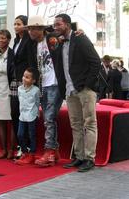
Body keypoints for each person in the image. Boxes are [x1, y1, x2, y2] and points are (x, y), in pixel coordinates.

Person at [53, 13, 101, 172]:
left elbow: (95, 61)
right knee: (76, 125)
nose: (55, 27)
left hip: (84, 89)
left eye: (58, 24)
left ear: (67, 24)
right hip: (69, 89)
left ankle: (89, 158)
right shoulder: (60, 43)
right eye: (54, 25)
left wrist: (88, 85)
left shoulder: (80, 38)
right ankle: (79, 157)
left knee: (90, 123)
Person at [25, 15, 63, 167]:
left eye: (32, 29)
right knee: (49, 118)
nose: (30, 33)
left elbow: (66, 40)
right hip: (43, 85)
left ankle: (49, 151)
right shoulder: (35, 45)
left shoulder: (52, 39)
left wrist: (78, 32)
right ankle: (54, 151)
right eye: (29, 29)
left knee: (49, 118)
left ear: (40, 29)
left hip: (55, 83)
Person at [11, 15, 37, 158]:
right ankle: (20, 144)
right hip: (15, 81)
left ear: (26, 26)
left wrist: (31, 80)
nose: (16, 26)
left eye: (19, 24)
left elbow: (31, 62)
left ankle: (27, 147)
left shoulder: (29, 41)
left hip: (26, 81)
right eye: (14, 24)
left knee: (26, 113)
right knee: (15, 112)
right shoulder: (16, 41)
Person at [0, 29, 15, 159]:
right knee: (1, 122)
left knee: (11, 121)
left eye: (3, 38)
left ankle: (11, 150)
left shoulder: (13, 54)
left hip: (11, 90)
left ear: (9, 40)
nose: (0, 40)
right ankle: (3, 149)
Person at [15, 67, 40, 165]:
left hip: (32, 116)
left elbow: (37, 102)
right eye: (24, 76)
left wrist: (37, 113)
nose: (24, 79)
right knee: (20, 134)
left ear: (33, 80)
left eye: (27, 77)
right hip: (22, 116)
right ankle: (24, 152)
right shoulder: (19, 89)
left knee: (31, 135)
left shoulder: (36, 90)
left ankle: (32, 155)